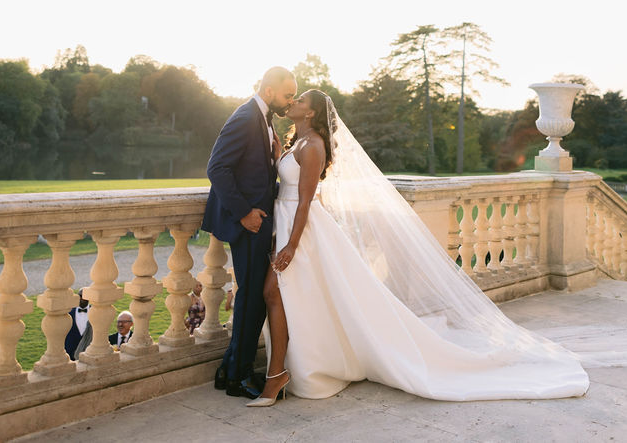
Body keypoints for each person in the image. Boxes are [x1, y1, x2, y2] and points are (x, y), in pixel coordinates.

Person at [248, 90, 589, 407]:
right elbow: (291, 185)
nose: (293, 101)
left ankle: (278, 375)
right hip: (288, 221)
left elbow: (307, 200)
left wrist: (292, 243)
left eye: (301, 99)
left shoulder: (314, 145)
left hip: (304, 230)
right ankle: (293, 367)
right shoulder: (299, 142)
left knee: (275, 293)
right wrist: (279, 154)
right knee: (291, 296)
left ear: (312, 112)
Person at [201, 66, 297, 399]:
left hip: (260, 222)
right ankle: (239, 377)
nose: (291, 101)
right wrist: (243, 214)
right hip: (249, 223)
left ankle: (229, 371)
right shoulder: (245, 116)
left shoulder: (263, 118)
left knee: (253, 297)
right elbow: (216, 167)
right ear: (269, 91)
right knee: (251, 299)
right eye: (288, 95)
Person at [65, 288, 91, 360]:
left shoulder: (95, 312)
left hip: (89, 351)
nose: (82, 298)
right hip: (71, 352)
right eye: (80, 296)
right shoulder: (69, 313)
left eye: (85, 296)